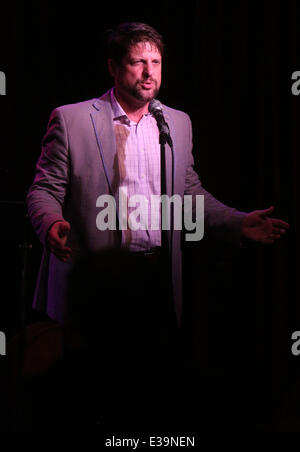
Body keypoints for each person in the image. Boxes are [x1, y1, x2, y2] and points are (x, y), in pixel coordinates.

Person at [26, 22, 289, 326]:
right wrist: (51, 223)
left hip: (155, 277)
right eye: (138, 62)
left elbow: (188, 195)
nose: (149, 72)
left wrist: (237, 222)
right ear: (113, 67)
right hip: (95, 278)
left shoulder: (176, 123)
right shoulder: (73, 120)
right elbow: (44, 190)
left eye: (156, 63)